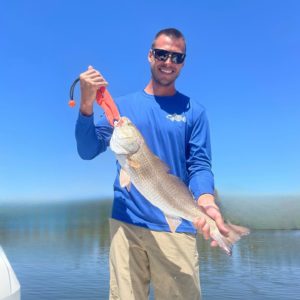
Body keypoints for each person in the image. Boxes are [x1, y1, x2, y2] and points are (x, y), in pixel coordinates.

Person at [75, 28, 229, 300]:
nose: (168, 62)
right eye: (161, 54)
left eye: (177, 57)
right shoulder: (121, 109)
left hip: (176, 224)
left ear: (183, 62)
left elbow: (200, 165)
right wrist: (87, 105)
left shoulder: (194, 112)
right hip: (126, 225)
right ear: (150, 56)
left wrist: (206, 200)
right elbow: (87, 150)